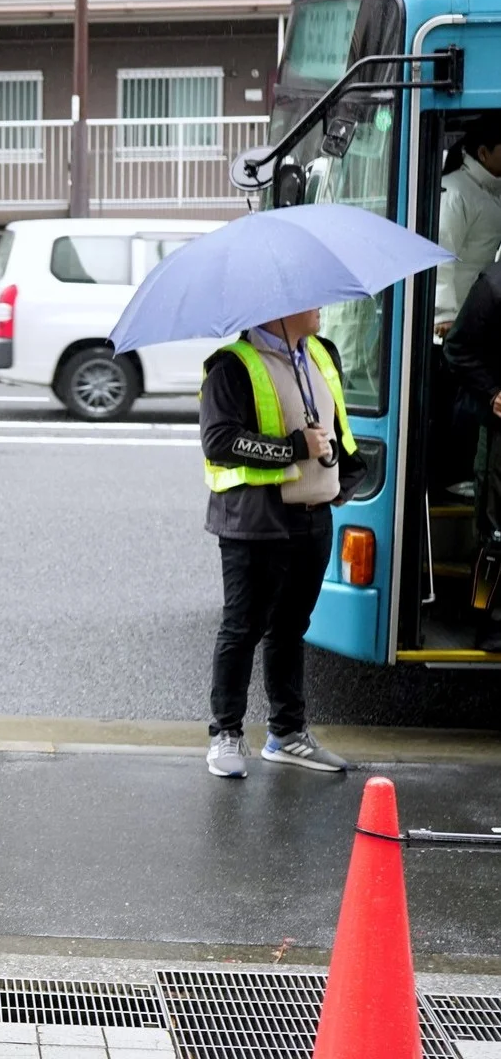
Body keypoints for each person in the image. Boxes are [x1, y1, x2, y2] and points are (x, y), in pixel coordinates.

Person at [200, 310, 366, 779]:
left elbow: (337, 428)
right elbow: (218, 441)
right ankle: (226, 733)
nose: (319, 308)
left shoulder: (320, 354)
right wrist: (295, 447)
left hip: (314, 518)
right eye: (308, 300)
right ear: (278, 309)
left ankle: (288, 734)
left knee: (292, 629)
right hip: (254, 524)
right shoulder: (232, 366)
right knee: (242, 629)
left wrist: (342, 476)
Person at [430, 117, 501, 495]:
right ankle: (451, 476)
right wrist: (444, 314)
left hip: (479, 314)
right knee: (456, 402)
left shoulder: (490, 192)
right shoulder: (457, 191)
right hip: (455, 320)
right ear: (484, 152)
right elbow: (443, 254)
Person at [441, 258, 501, 647]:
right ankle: (489, 621)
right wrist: (493, 393)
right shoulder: (493, 287)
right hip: (500, 436)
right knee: (496, 533)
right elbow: (456, 349)